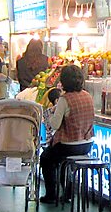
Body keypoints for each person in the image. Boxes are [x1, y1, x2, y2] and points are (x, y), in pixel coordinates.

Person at [38, 65, 94, 204]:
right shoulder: (88, 96)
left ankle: (51, 194)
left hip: (68, 145)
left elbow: (55, 125)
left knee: (46, 158)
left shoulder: (64, 99)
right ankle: (68, 193)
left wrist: (50, 115)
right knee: (64, 162)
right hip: (87, 144)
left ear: (63, 81)